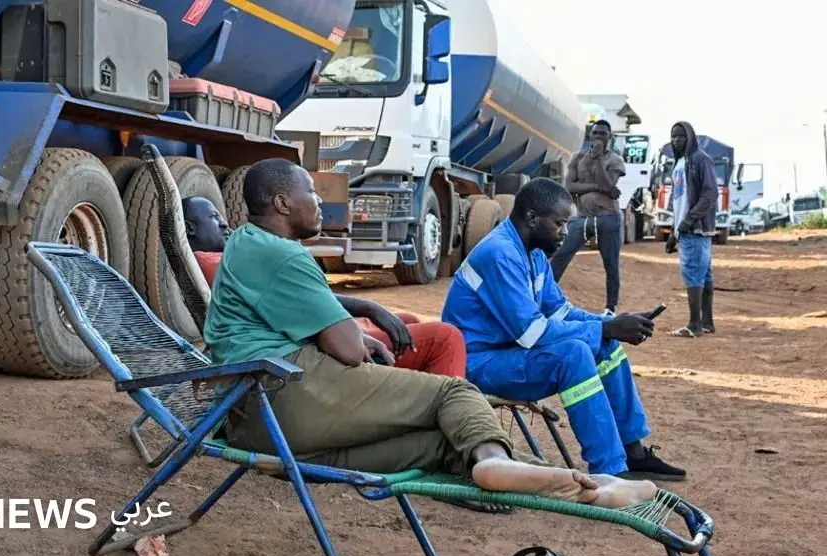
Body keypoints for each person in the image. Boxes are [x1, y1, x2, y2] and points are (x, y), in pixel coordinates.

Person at [202, 158, 660, 509]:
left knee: (441, 444)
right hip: (287, 393)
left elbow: (302, 308)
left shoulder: (246, 243)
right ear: (282, 203)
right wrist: (357, 334)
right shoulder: (287, 256)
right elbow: (344, 349)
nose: (319, 199)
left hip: (255, 424)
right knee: (452, 396)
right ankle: (519, 465)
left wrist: (361, 311)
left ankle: (584, 486)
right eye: (310, 191)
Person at [440, 177, 687, 482]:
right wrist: (608, 327)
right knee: (575, 353)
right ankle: (610, 469)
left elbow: (562, 313)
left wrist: (611, 325)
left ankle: (633, 453)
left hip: (507, 354)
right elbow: (531, 333)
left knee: (605, 346)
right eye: (560, 223)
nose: (567, 232)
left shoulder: (531, 253)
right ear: (532, 218)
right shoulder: (500, 254)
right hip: (478, 364)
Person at [183, 195, 464, 377]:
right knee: (444, 338)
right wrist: (368, 307)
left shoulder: (233, 253)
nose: (224, 224)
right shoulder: (221, 261)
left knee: (409, 322)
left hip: (307, 331)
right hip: (307, 345)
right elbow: (307, 306)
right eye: (213, 218)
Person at [549, 120, 627, 316]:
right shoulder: (578, 157)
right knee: (560, 257)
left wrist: (599, 160)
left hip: (608, 217)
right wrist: (599, 188)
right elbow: (570, 187)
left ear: (610, 137)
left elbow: (608, 184)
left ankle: (610, 308)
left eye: (603, 134)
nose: (599, 137)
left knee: (611, 264)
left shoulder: (615, 160)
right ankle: (545, 297)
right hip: (581, 217)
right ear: (591, 136)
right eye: (596, 133)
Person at [664, 121, 718, 338]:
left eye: (681, 136)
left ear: (690, 138)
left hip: (695, 229)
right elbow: (679, 202)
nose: (677, 140)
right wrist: (673, 232)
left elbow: (709, 194)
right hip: (685, 228)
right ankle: (707, 323)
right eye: (673, 136)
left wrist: (688, 221)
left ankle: (694, 324)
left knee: (693, 274)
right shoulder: (679, 163)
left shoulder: (700, 159)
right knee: (703, 274)